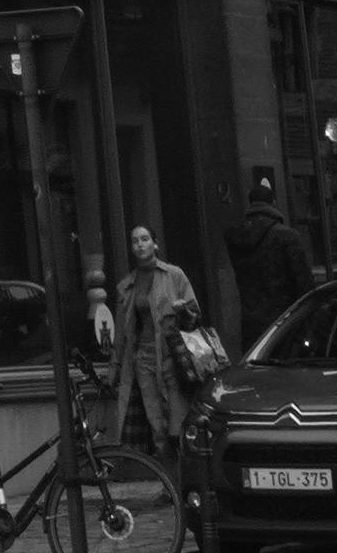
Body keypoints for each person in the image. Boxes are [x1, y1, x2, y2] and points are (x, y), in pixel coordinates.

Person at [102, 222, 204, 455]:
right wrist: (114, 368)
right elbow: (122, 333)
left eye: (145, 239)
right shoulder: (126, 286)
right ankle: (165, 478)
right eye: (135, 241)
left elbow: (195, 317)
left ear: (155, 244)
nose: (140, 245)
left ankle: (181, 477)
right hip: (143, 359)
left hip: (172, 356)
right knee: (156, 421)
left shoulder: (173, 275)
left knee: (177, 421)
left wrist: (183, 311)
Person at [222, 167, 313, 350]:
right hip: (285, 321)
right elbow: (304, 283)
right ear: (273, 202)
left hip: (251, 323)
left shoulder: (237, 237)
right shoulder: (286, 236)